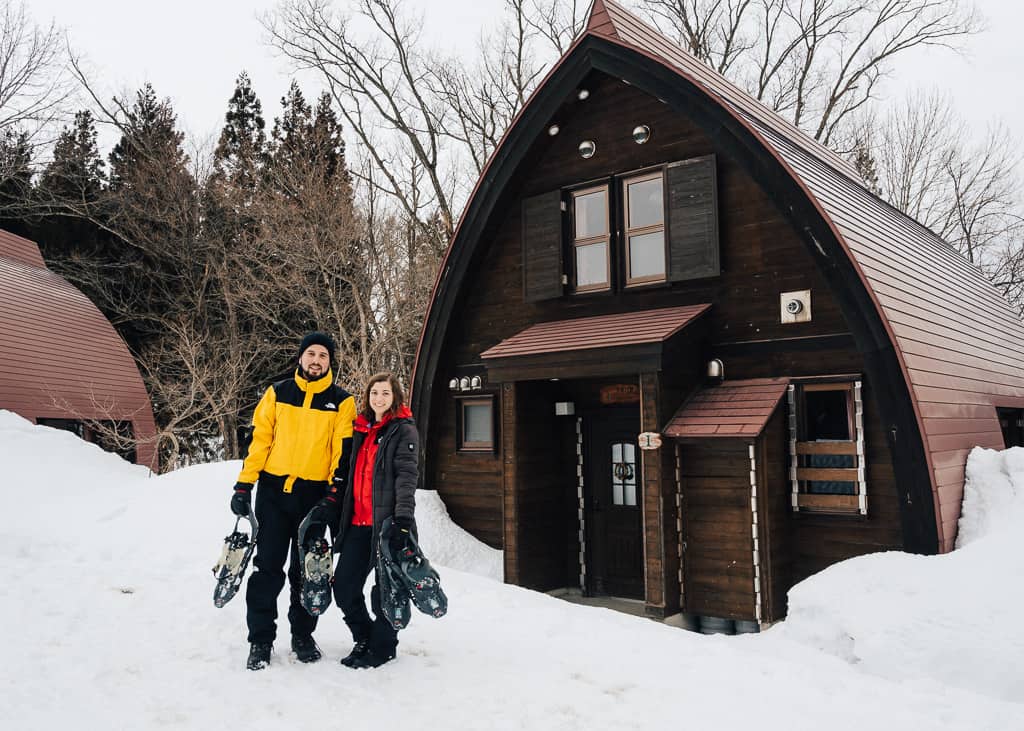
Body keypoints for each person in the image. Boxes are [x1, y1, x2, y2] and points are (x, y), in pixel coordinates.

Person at [229, 332, 356, 671]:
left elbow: (341, 454)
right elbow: (259, 442)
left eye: (323, 356)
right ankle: (261, 640)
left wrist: (334, 494)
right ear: (301, 357)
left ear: (330, 362)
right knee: (267, 570)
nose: (316, 360)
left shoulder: (342, 402)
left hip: (313, 498)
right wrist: (244, 486)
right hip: (272, 494)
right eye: (311, 353)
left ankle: (302, 635)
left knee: (307, 573)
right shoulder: (277, 393)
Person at [310, 372, 418, 669]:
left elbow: (407, 478)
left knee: (386, 589)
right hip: (358, 523)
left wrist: (403, 520)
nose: (379, 398)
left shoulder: (403, 431)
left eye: (385, 393)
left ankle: (383, 648)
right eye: (374, 393)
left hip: (387, 525)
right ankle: (364, 635)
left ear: (395, 397)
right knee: (344, 586)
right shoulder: (360, 429)